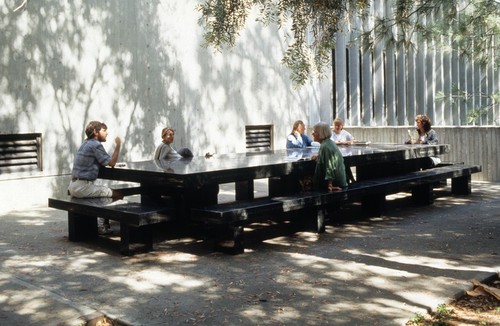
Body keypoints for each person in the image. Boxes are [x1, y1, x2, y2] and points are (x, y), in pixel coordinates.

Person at [68, 121, 122, 235]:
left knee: (104, 193)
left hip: (73, 185)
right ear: (95, 132)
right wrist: (118, 145)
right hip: (83, 187)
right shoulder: (96, 145)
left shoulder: (85, 143)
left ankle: (102, 223)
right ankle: (101, 225)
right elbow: (111, 163)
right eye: (104, 130)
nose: (107, 133)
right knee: (118, 194)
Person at [311, 122, 348, 192]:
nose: (312, 133)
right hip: (340, 181)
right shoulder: (329, 143)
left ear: (321, 134)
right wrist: (319, 156)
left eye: (315, 131)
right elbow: (329, 158)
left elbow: (330, 166)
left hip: (335, 183)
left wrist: (330, 185)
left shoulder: (325, 146)